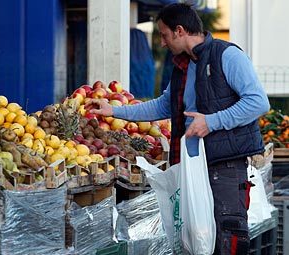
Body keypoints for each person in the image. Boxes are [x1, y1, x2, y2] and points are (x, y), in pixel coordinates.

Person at [86, 3, 270, 254]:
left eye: (163, 34)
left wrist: (211, 121)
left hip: (225, 167)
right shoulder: (184, 67)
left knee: (227, 240)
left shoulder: (227, 55)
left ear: (180, 31)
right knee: (197, 241)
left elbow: (258, 102)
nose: (162, 42)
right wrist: (115, 111)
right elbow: (164, 106)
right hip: (193, 168)